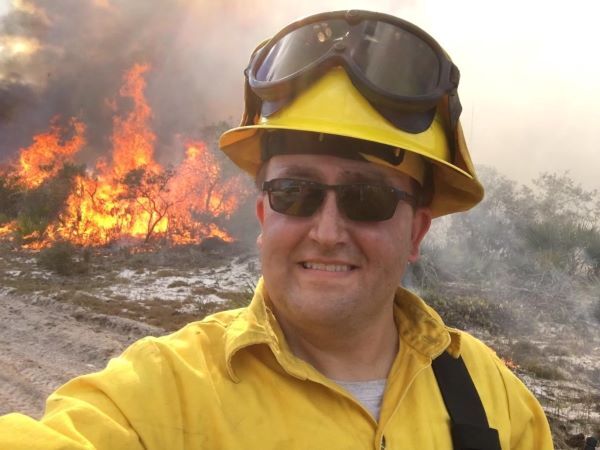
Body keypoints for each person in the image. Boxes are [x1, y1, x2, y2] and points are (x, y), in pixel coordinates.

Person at [0, 10, 553, 450]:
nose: (327, 231)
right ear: (265, 216)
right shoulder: (163, 391)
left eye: (369, 198)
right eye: (296, 193)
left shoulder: (495, 397)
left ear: (416, 233)